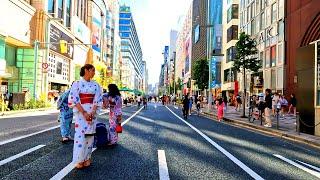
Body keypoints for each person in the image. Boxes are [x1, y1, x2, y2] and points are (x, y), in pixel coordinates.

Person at [68, 64, 102, 169]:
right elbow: (74, 99)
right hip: (81, 114)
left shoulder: (96, 85)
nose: (94, 72)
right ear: (86, 70)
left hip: (92, 114)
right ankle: (79, 160)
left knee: (90, 136)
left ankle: (87, 158)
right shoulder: (77, 84)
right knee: (80, 137)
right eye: (92, 70)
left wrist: (92, 112)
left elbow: (97, 99)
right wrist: (84, 112)